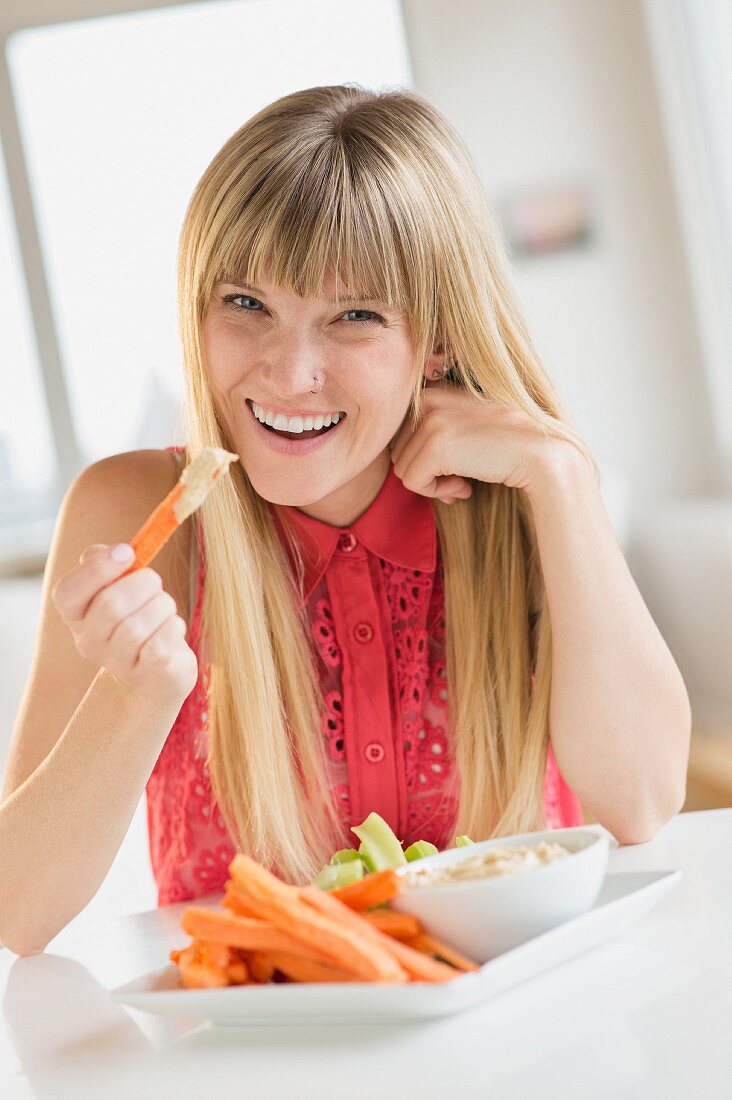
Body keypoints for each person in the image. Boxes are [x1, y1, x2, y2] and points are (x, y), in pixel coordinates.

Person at [0, 85, 691, 954]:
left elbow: (642, 801)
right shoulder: (139, 515)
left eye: (354, 317)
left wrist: (561, 473)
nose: (290, 374)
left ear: (434, 338)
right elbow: (19, 914)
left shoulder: (524, 496)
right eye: (245, 304)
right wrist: (134, 694)